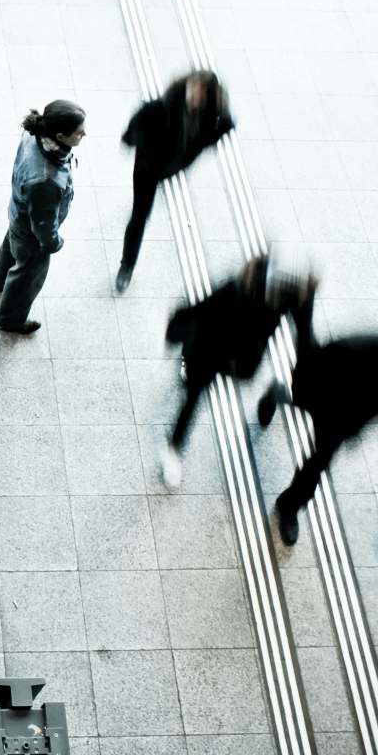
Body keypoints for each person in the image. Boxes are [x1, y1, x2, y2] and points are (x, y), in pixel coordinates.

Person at [162, 248, 316, 489]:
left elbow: (305, 336)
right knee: (193, 395)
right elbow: (203, 309)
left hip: (244, 357)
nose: (281, 298)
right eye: (279, 291)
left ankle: (271, 395)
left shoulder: (298, 294)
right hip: (210, 345)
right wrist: (177, 326)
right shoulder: (238, 288)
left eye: (288, 292)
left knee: (242, 375)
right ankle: (174, 449)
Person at [117, 71, 234, 292]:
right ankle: (127, 267)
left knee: (140, 214)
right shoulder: (157, 109)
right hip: (148, 170)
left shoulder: (211, 116)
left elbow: (219, 131)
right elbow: (134, 127)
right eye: (196, 89)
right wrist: (129, 140)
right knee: (140, 216)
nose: (198, 96)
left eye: (204, 93)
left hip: (173, 166)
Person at [258, 335, 378, 546]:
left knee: (318, 463)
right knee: (298, 400)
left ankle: (289, 506)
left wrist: (354, 428)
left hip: (342, 419)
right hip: (324, 390)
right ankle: (276, 393)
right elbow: (328, 356)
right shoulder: (360, 347)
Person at [0, 101, 85, 335]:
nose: (84, 134)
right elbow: (42, 224)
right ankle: (9, 320)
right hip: (33, 232)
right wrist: (52, 243)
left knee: (11, 247)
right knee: (28, 274)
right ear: (61, 136)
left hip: (18, 213)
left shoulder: (35, 133)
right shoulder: (45, 181)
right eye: (79, 132)